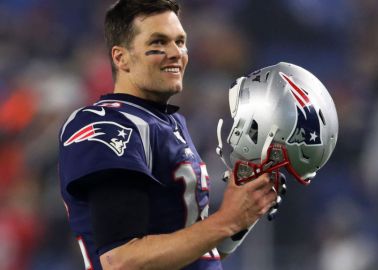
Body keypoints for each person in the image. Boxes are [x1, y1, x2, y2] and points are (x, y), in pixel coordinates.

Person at [58, 0, 278, 269]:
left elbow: (191, 253)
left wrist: (243, 216)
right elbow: (121, 260)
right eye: (158, 43)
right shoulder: (109, 122)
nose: (175, 53)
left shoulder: (171, 122)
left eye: (180, 42)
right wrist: (227, 220)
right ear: (121, 57)